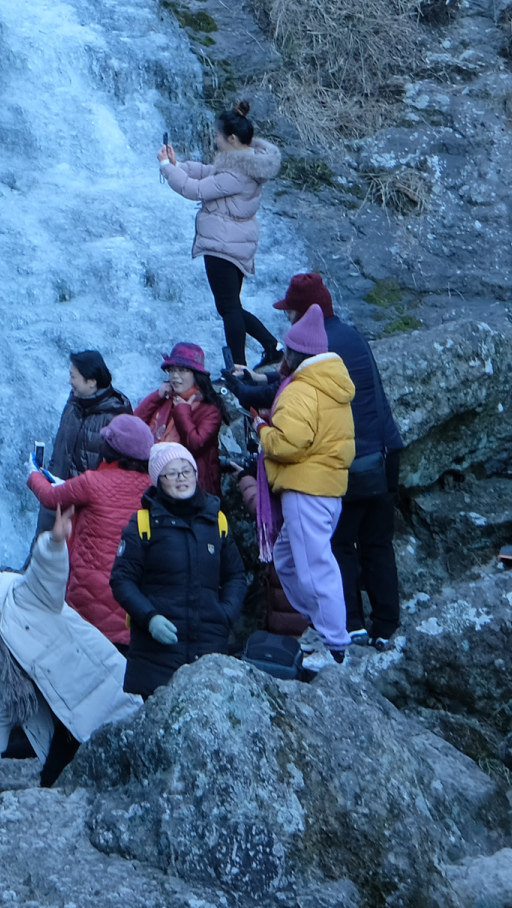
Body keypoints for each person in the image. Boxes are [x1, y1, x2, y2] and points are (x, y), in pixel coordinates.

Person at [0, 507, 136, 788]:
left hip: (100, 691)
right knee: (56, 784)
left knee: (130, 762)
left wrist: (54, 543)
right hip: (61, 719)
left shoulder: (21, 594)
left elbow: (44, 574)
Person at [272, 271, 406, 649]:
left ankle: (350, 628)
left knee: (339, 546)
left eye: (290, 311)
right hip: (386, 452)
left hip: (350, 465)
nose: (288, 318)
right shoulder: (351, 335)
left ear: (304, 313)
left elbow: (296, 397)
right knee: (378, 544)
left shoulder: (321, 348)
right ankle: (387, 626)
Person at [257, 302, 356, 671]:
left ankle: (335, 644)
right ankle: (320, 625)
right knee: (287, 559)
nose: (283, 357)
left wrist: (262, 430)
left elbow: (289, 444)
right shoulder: (331, 385)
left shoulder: (301, 390)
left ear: (295, 353)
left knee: (315, 568)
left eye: (286, 351)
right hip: (327, 490)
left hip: (305, 491)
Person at [110, 440, 247, 698]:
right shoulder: (143, 523)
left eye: (187, 470)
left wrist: (226, 613)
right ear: (158, 481)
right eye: (171, 473)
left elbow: (236, 576)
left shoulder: (216, 520)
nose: (181, 478)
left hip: (208, 648)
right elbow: (121, 580)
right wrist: (150, 618)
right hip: (156, 657)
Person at [159, 103, 281, 371]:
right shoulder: (244, 163)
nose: (215, 139)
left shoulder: (237, 173)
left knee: (229, 309)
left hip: (222, 245)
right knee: (231, 306)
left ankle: (239, 368)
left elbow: (195, 189)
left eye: (217, 135)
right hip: (234, 243)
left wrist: (167, 167)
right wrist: (179, 165)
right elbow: (208, 173)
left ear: (232, 138)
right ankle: (273, 347)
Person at [26, 413, 155, 645]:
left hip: (90, 593)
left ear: (110, 448)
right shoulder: (154, 487)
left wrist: (33, 474)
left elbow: (49, 497)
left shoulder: (92, 482)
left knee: (86, 651)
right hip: (135, 594)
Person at [134, 343, 225, 501]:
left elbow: (196, 445)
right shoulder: (166, 398)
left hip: (194, 489)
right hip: (159, 481)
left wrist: (182, 411)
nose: (175, 376)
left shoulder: (210, 410)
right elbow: (135, 426)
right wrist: (156, 396)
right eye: (172, 370)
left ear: (196, 375)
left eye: (182, 370)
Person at [46, 349, 131, 478]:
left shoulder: (116, 415)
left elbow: (120, 468)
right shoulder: (73, 404)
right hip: (59, 486)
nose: (70, 382)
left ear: (91, 382)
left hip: (89, 489)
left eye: (73, 377)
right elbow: (60, 451)